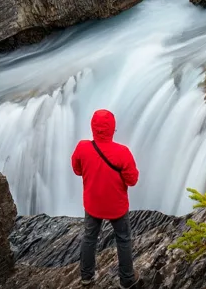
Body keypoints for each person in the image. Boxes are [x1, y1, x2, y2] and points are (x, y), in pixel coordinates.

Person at [71, 109, 140, 287]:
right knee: (123, 239)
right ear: (112, 129)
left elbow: (77, 170)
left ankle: (86, 276)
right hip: (116, 207)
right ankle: (126, 279)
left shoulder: (82, 148)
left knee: (89, 237)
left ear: (92, 128)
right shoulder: (122, 152)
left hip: (93, 204)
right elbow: (132, 180)